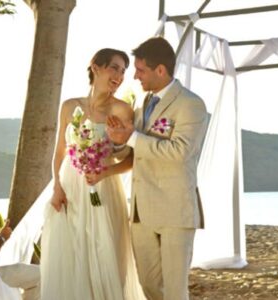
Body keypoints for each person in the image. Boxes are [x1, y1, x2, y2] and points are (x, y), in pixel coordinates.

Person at [106, 37, 210, 300]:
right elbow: (136, 151)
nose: (135, 75)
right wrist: (117, 143)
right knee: (149, 286)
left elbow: (180, 152)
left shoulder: (191, 104)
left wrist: (131, 138)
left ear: (160, 70)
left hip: (175, 211)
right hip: (141, 212)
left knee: (175, 291)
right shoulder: (142, 103)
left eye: (140, 70)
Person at [39, 47, 141, 299]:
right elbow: (60, 150)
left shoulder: (122, 110)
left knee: (104, 250)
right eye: (114, 67)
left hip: (103, 187)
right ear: (96, 67)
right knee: (71, 251)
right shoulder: (69, 106)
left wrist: (105, 172)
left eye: (124, 71)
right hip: (69, 187)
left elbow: (131, 159)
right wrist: (57, 186)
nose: (119, 75)